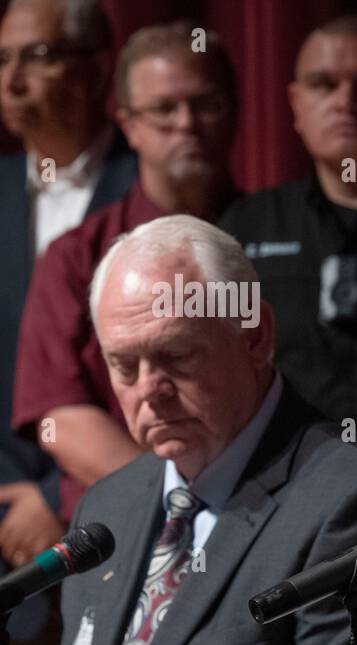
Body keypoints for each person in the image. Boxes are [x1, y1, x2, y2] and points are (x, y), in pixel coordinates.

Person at [51, 215, 357, 645]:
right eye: (123, 366)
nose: (148, 389)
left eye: (175, 355)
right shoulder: (107, 507)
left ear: (256, 337)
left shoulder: (353, 498)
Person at [12, 20, 239, 526]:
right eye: (163, 109)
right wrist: (191, 508)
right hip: (126, 526)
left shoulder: (273, 233)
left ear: (236, 112)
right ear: (127, 123)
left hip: (266, 515)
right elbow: (62, 422)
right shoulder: (76, 254)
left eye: (206, 104)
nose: (187, 124)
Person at [218, 14, 357, 460]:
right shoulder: (246, 228)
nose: (346, 103)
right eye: (323, 85)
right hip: (280, 489)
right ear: (295, 105)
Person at [0, 0, 134, 581]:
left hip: (113, 525)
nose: (12, 80)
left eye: (38, 56)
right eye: (2, 59)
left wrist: (56, 494)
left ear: (99, 69)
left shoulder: (151, 185)